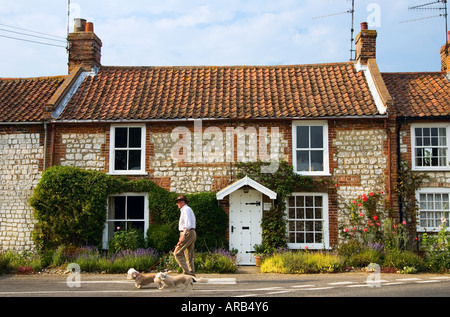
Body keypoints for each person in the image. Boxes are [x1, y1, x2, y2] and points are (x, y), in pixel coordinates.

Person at [174, 195, 196, 276]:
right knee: (189, 254)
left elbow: (188, 223)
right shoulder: (186, 209)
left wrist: (183, 234)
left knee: (177, 253)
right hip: (191, 232)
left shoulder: (186, 210)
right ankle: (191, 275)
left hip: (187, 232)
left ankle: (187, 273)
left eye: (178, 202)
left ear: (183, 202)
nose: (177, 204)